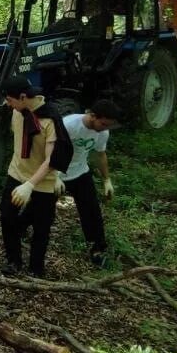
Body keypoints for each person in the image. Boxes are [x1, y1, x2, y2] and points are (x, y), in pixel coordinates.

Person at [0, 77, 69, 278]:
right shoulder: (17, 111)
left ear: (22, 97)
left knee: (41, 227)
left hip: (43, 182)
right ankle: (13, 261)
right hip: (17, 173)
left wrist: (32, 184)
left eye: (10, 100)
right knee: (7, 217)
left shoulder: (50, 119)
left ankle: (36, 268)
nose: (7, 104)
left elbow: (52, 158)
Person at [56, 99, 121, 266]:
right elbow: (50, 149)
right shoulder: (68, 125)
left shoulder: (102, 132)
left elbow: (101, 155)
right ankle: (18, 231)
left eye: (108, 125)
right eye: (103, 123)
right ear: (92, 116)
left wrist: (107, 180)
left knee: (92, 212)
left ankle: (97, 249)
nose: (105, 128)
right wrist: (53, 176)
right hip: (57, 174)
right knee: (39, 209)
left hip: (80, 173)